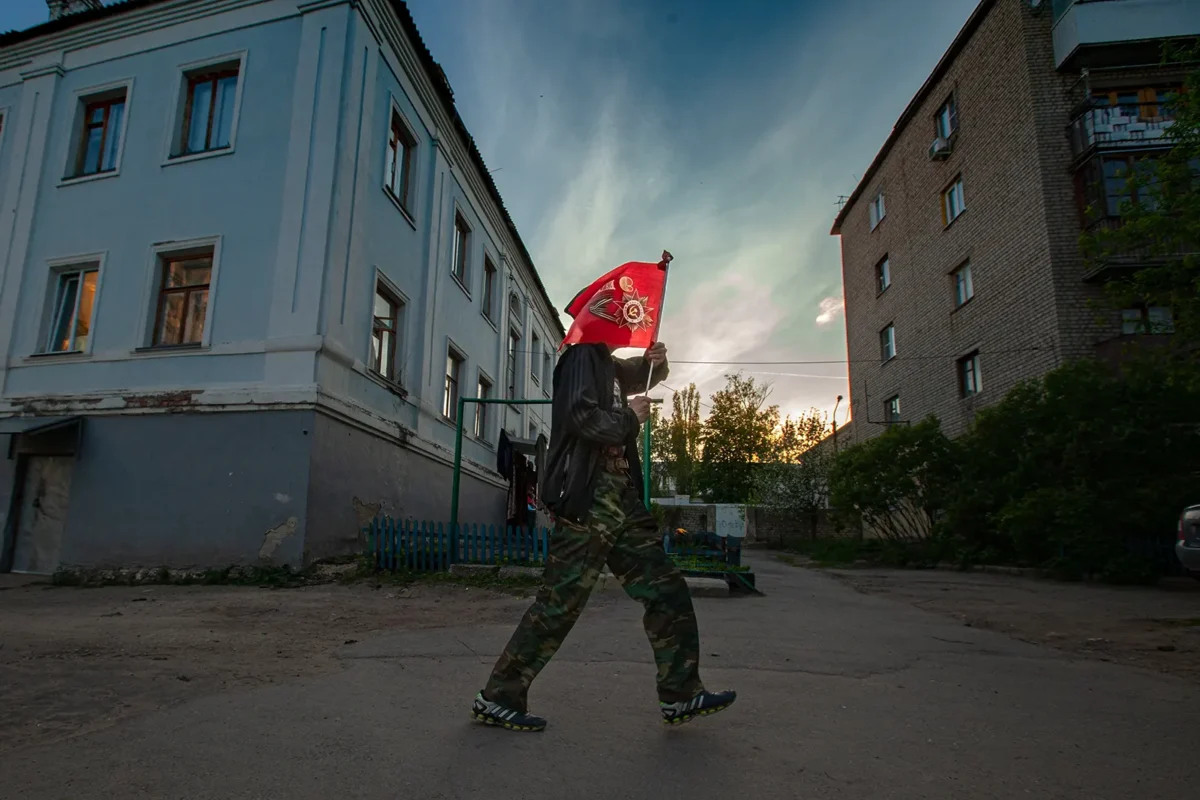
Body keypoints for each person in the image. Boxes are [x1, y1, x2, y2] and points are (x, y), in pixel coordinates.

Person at [471, 340, 736, 732]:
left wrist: (656, 362)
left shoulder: (609, 365)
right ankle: (499, 697)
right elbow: (581, 417)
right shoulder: (581, 356)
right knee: (560, 604)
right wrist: (630, 418)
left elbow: (640, 374)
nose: (625, 322)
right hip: (589, 496)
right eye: (618, 316)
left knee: (666, 590)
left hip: (621, 496)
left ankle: (681, 692)